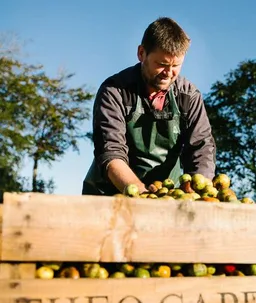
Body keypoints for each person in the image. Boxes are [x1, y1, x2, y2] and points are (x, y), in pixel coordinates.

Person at [82, 17, 216, 196]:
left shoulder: (188, 96)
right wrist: (143, 195)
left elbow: (201, 147)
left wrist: (195, 191)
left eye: (176, 66)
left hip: (167, 194)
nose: (169, 73)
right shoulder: (115, 91)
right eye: (161, 64)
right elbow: (111, 151)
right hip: (109, 193)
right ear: (141, 53)